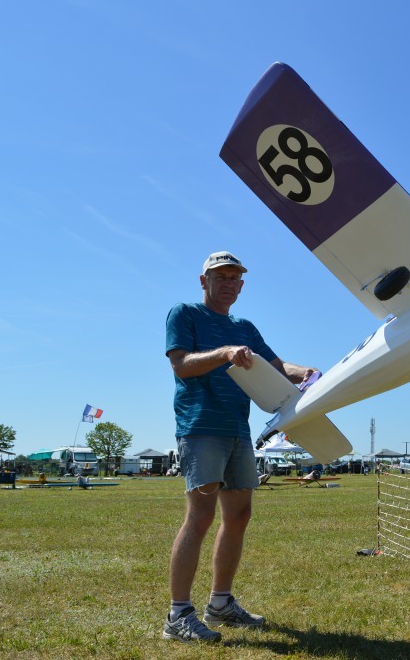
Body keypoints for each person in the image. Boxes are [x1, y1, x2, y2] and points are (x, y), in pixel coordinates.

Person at [162, 251, 319, 643]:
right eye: (221, 276)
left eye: (235, 277)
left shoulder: (244, 326)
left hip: (238, 430)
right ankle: (178, 616)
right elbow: (181, 365)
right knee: (199, 517)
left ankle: (221, 604)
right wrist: (224, 354)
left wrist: (310, 373)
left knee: (240, 516)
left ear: (242, 285)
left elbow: (277, 366)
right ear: (204, 282)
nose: (229, 282)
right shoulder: (184, 314)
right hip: (201, 427)